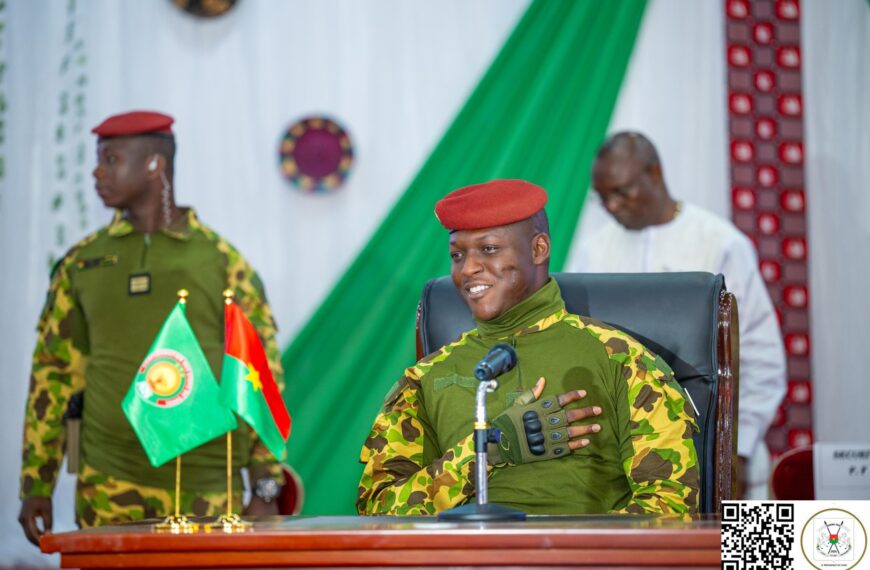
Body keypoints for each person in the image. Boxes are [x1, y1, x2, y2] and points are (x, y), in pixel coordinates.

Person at [18, 111, 286, 545]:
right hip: (106, 481)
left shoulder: (220, 262)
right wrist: (36, 483)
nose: (97, 172)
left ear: (153, 164)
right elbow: (54, 374)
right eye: (98, 160)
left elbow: (259, 372)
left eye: (110, 159)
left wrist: (265, 483)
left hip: (205, 485)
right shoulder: (82, 264)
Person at [357, 179, 699, 516]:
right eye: (457, 255)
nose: (468, 268)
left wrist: (563, 546)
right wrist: (487, 449)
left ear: (538, 249)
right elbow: (378, 514)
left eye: (489, 249)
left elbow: (672, 508)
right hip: (466, 550)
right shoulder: (425, 378)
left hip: (580, 551)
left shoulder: (621, 359)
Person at [566, 131, 787, 499]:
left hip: (718, 451)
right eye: (602, 197)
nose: (612, 206)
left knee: (734, 540)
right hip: (620, 464)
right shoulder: (592, 251)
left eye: (621, 192)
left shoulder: (720, 242)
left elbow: (760, 356)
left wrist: (739, 449)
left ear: (654, 173)